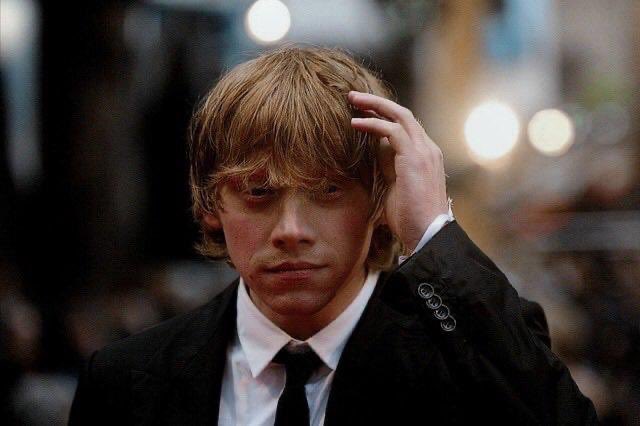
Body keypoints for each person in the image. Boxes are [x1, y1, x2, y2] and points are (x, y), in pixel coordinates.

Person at [68, 45, 598, 425]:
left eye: (327, 191)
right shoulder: (125, 381)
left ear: (379, 199)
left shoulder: (466, 361)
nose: (291, 232)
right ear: (210, 204)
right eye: (258, 193)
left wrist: (433, 233)